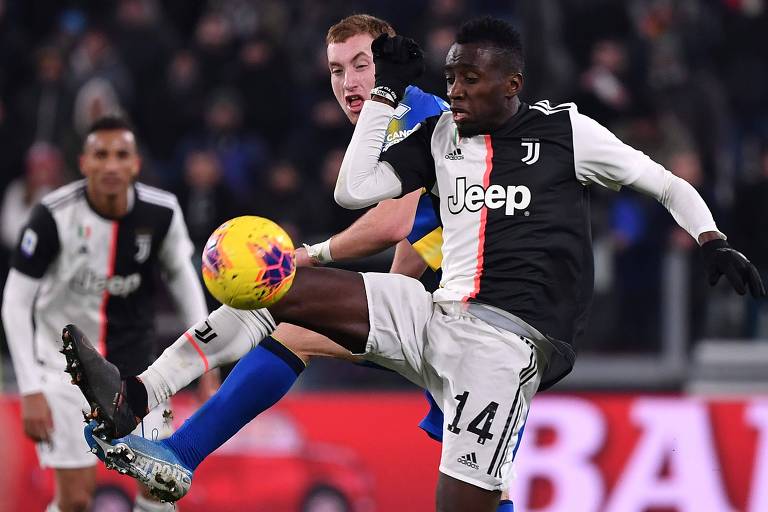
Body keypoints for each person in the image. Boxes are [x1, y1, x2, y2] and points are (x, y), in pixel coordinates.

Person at [62, 17, 764, 512]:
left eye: (364, 65)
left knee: (473, 498)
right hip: (434, 312)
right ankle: (142, 411)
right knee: (278, 290)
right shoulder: (432, 127)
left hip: (505, 341)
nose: (454, 89)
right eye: (337, 69)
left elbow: (663, 181)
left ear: (511, 82)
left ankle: (171, 439)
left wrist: (709, 236)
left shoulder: (561, 130)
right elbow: (355, 192)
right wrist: (386, 102)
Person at [1, 116, 217, 512]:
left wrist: (206, 362)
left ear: (135, 164)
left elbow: (184, 282)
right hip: (63, 371)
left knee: (159, 487)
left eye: (122, 155)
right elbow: (15, 300)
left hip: (139, 374)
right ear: (84, 163)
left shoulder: (161, 212)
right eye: (101, 155)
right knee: (77, 500)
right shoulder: (52, 215)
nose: (111, 165)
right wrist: (30, 388)